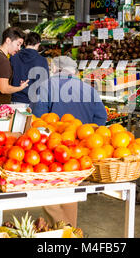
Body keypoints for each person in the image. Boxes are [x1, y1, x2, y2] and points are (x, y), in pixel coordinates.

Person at [30, 56, 107, 227]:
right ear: (73, 71)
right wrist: (86, 135)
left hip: (55, 149)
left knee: (49, 193)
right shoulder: (89, 89)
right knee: (71, 192)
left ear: (55, 69)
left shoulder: (46, 86)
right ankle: (69, 232)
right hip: (82, 150)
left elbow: (39, 119)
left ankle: (63, 231)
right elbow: (102, 116)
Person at [0, 27, 29, 106]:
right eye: (18, 44)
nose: (18, 48)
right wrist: (20, 88)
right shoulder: (3, 61)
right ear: (8, 40)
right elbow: (4, 89)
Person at [10, 32, 49, 106]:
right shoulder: (42, 60)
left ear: (24, 43)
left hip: (16, 100)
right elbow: (45, 84)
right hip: (35, 102)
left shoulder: (13, 58)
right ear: (38, 44)